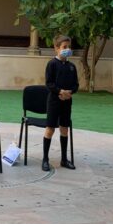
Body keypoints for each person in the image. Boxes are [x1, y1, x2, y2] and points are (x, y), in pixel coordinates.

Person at [43, 35, 78, 172]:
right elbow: (49, 83)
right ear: (56, 48)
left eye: (69, 47)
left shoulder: (72, 66)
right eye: (64, 47)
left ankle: (64, 159)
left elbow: (76, 84)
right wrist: (60, 92)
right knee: (50, 129)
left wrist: (70, 92)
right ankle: (45, 159)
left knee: (64, 128)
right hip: (54, 102)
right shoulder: (52, 64)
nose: (67, 49)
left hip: (67, 102)